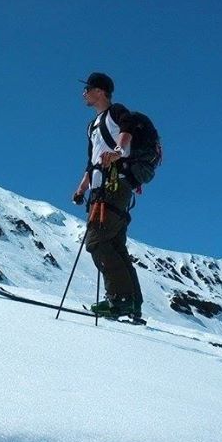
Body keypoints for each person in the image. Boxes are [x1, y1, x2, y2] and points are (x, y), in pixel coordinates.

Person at [72, 72, 144, 320]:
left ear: (100, 91)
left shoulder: (116, 112)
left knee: (96, 241)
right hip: (102, 188)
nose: (84, 93)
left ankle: (119, 300)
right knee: (114, 244)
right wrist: (82, 188)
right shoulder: (92, 126)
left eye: (88, 88)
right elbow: (92, 162)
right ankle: (132, 303)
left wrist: (118, 151)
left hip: (114, 186)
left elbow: (128, 131)